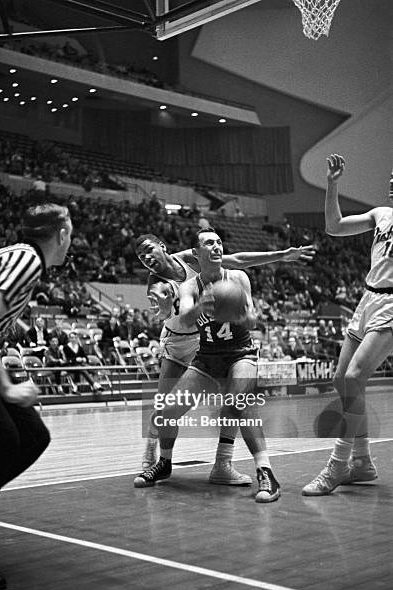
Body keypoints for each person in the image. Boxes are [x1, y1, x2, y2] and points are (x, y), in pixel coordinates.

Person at [135, 233, 315, 484]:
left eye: (148, 251)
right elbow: (178, 314)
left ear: (162, 247)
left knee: (236, 402)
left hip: (224, 346)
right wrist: (174, 306)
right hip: (189, 344)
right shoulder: (165, 283)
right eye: (141, 257)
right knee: (166, 408)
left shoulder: (218, 270)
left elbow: (240, 265)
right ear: (199, 252)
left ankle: (241, 466)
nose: (146, 258)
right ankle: (159, 457)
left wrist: (281, 256)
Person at [0, 203, 72, 590]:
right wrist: (5, 386)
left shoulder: (13, 255)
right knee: (3, 441)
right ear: (62, 235)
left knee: (31, 436)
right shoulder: (29, 261)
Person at [303, 154, 393, 496]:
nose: (392, 181)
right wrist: (332, 184)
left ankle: (337, 465)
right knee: (342, 380)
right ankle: (363, 461)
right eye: (392, 175)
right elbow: (334, 227)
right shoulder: (382, 215)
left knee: (356, 377)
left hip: (392, 303)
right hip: (368, 299)